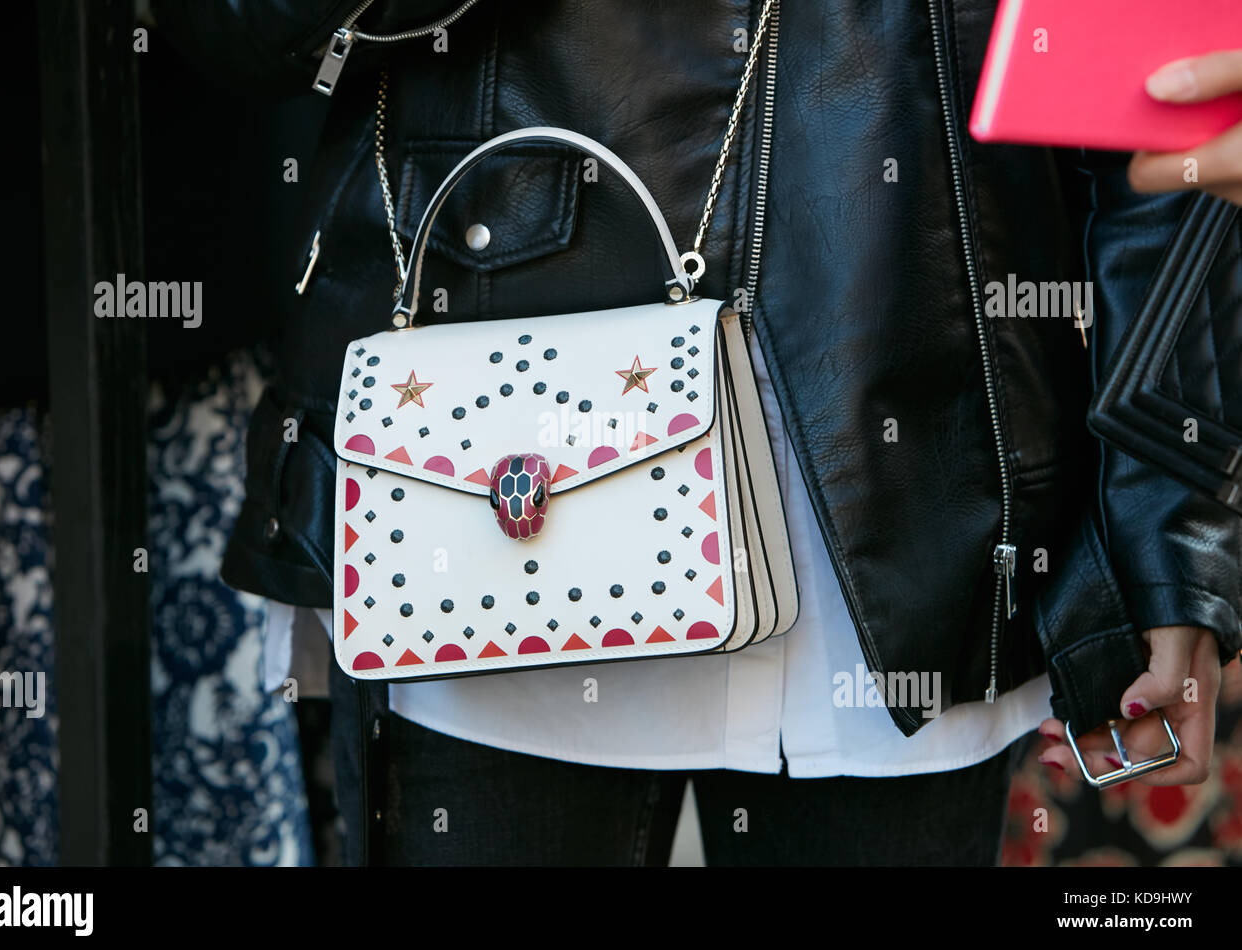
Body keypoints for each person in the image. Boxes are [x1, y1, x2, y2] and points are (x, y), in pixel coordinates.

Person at [152, 0, 1242, 865]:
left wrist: (1169, 524)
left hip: (921, 495)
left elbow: (1156, 97)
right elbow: (230, 27)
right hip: (489, 503)